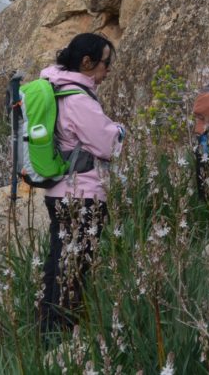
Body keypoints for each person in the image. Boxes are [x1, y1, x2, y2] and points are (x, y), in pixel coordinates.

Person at [38, 33, 125, 339]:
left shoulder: (56, 89)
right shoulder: (77, 98)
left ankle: (51, 330)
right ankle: (58, 335)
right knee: (72, 268)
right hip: (81, 194)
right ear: (87, 63)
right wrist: (119, 131)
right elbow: (108, 145)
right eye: (106, 63)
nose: (108, 70)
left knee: (60, 262)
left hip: (59, 192)